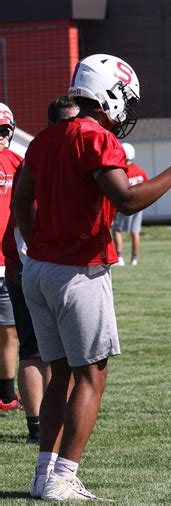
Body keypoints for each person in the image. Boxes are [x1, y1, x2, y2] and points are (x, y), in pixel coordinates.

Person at [13, 53, 171, 501]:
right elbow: (128, 200)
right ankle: (63, 476)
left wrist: (40, 247)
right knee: (91, 376)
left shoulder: (45, 139)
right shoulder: (97, 138)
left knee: (60, 376)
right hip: (78, 272)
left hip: (39, 269)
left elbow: (20, 205)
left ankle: (43, 475)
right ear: (109, 95)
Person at [2, 96, 79, 443]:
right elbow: (25, 216)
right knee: (35, 349)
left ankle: (49, 421)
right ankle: (38, 425)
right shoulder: (35, 160)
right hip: (31, 265)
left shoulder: (29, 158)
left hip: (31, 265)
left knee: (53, 351)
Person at [0, 103, 22, 413]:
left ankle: (6, 395)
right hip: (8, 261)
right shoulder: (20, 163)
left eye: (3, 129)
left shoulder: (19, 163)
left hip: (8, 260)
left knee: (10, 330)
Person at [112, 142, 149, 266]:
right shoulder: (140, 171)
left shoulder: (122, 171)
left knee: (117, 230)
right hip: (139, 206)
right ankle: (134, 258)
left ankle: (119, 257)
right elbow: (146, 188)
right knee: (135, 231)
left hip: (125, 205)